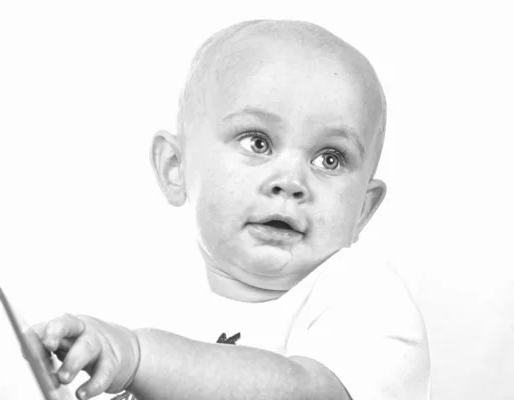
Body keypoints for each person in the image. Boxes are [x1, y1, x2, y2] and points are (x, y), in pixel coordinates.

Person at [32, 19, 431, 400]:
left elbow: (306, 394)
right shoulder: (151, 297)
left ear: (362, 210)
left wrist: (138, 356)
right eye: (257, 142)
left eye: (330, 158)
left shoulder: (362, 294)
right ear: (176, 168)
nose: (290, 181)